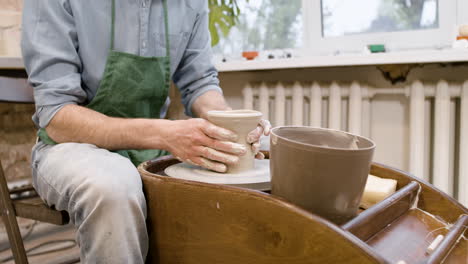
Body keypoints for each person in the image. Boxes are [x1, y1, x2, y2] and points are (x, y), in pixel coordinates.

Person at [21, 0, 270, 262]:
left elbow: (199, 82)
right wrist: (166, 134)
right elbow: (58, 117)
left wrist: (232, 124)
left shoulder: (191, 4)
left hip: (149, 147)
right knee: (113, 187)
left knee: (231, 184)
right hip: (68, 146)